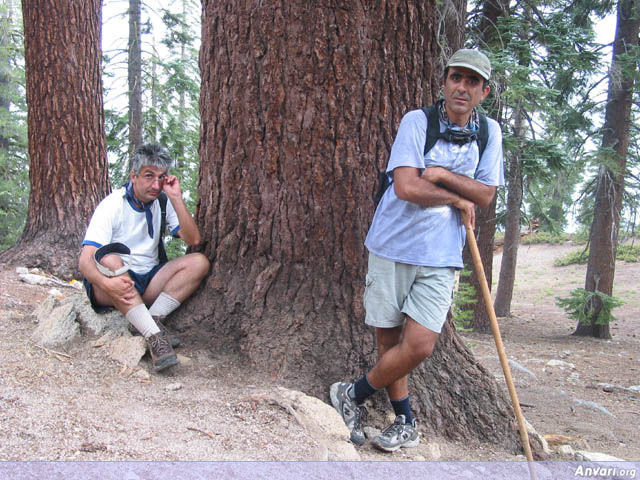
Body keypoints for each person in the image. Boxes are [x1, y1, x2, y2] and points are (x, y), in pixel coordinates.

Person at [330, 49, 504, 452]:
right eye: (456, 78)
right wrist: (457, 198)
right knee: (389, 344)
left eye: (472, 82)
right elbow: (406, 187)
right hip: (392, 244)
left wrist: (442, 175)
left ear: (484, 91)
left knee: (420, 345)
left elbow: (486, 193)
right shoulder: (417, 122)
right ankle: (405, 420)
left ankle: (351, 394)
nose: (462, 87)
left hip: (442, 255)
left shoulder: (488, 133)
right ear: (444, 82)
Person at [79, 143, 210, 372]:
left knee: (199, 262)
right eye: (149, 176)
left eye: (160, 177)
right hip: (114, 283)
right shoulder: (112, 205)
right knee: (111, 259)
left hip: (148, 280)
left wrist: (176, 198)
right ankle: (155, 337)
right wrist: (108, 283)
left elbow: (193, 240)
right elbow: (85, 260)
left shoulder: (162, 201)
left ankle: (149, 319)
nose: (155, 184)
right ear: (134, 176)